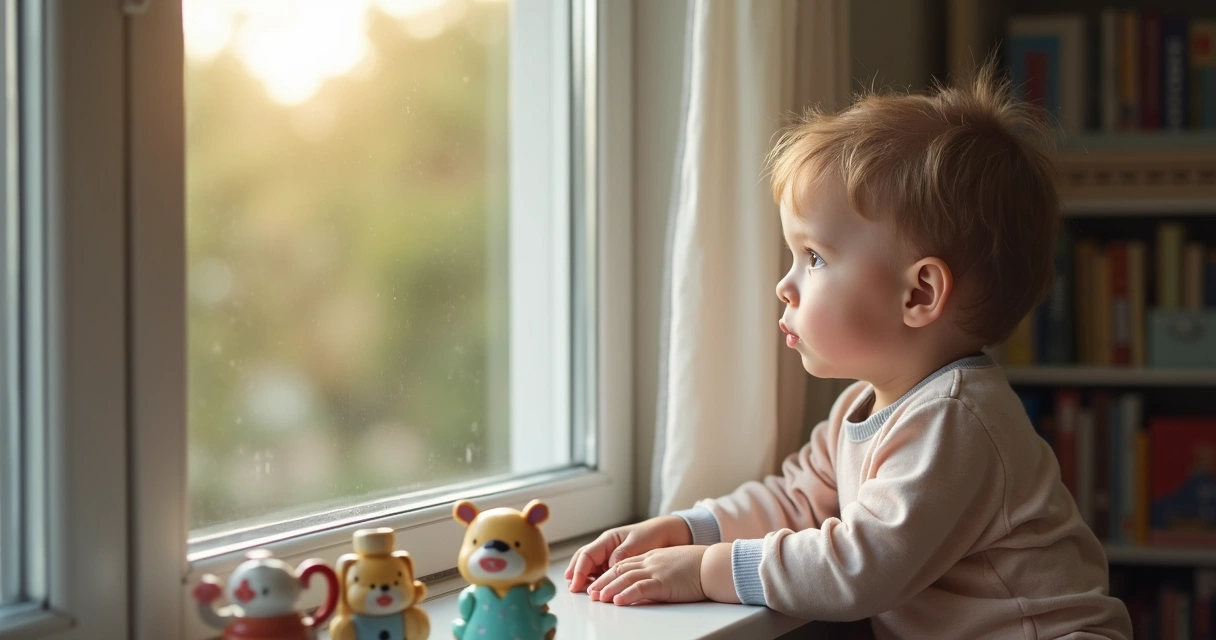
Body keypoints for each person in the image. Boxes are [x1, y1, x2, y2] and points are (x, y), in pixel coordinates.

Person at [565, 64, 1133, 638]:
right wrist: (688, 530)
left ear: (920, 293)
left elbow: (861, 567)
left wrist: (707, 569)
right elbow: (796, 501)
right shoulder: (862, 408)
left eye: (813, 258)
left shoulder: (956, 419)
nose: (784, 286)